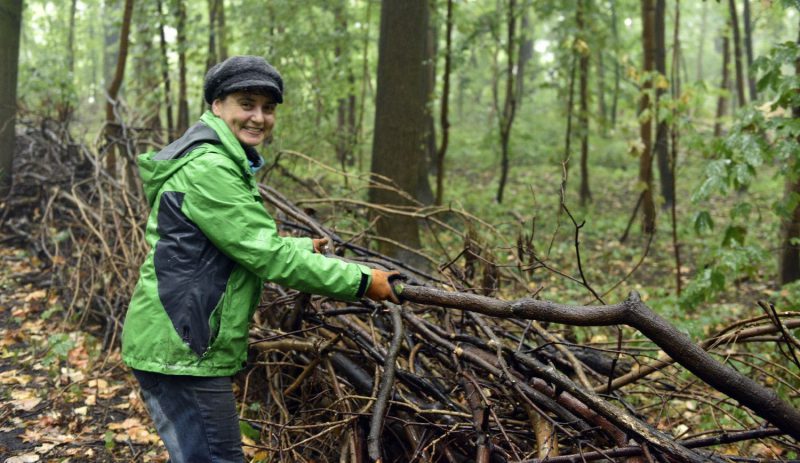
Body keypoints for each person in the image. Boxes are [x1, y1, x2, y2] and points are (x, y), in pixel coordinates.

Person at [121, 55, 400, 463]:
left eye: (268, 108)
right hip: (181, 349)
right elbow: (267, 256)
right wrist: (363, 281)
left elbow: (239, 242)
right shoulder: (210, 167)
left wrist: (303, 248)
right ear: (217, 105)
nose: (259, 117)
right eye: (246, 103)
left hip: (178, 342)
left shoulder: (216, 159)